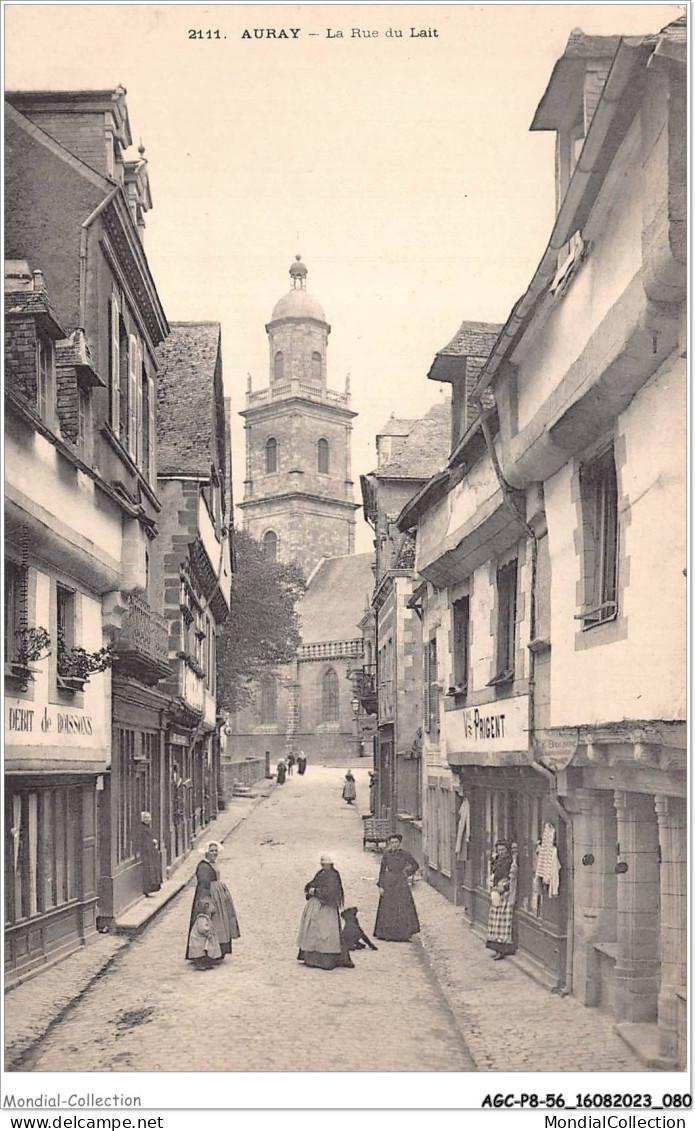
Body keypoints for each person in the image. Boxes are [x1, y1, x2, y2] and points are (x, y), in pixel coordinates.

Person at [186, 842, 240, 968]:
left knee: (219, 924)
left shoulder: (212, 864)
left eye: (216, 851)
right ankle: (203, 956)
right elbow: (203, 886)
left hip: (217, 895)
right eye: (212, 851)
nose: (215, 853)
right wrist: (206, 903)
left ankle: (217, 952)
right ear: (206, 852)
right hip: (209, 897)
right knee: (205, 926)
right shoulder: (203, 867)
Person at [297, 854, 354, 970]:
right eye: (322, 863)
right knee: (313, 931)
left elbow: (332, 892)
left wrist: (316, 891)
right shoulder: (321, 873)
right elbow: (311, 884)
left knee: (326, 933)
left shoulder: (334, 875)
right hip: (316, 906)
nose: (323, 865)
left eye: (325, 864)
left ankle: (326, 960)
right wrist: (310, 889)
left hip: (327, 909)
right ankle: (311, 958)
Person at [374, 834, 420, 942]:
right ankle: (387, 934)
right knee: (388, 907)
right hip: (389, 881)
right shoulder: (386, 854)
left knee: (402, 907)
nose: (394, 845)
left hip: (401, 882)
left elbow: (415, 865)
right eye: (392, 842)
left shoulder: (405, 854)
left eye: (396, 842)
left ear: (400, 843)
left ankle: (403, 934)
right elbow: (382, 871)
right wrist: (381, 886)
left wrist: (406, 873)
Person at [486, 840, 518, 960]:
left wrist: (504, 887)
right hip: (497, 892)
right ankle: (496, 947)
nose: (501, 852)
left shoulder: (511, 862)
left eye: (503, 850)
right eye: (499, 850)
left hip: (506, 894)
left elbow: (513, 879)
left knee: (503, 923)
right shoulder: (497, 861)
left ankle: (503, 950)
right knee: (495, 922)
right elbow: (494, 874)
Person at [137, 811, 162, 897]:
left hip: (150, 851)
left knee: (152, 869)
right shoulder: (142, 828)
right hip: (146, 852)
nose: (147, 819)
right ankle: (147, 888)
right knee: (148, 870)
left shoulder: (148, 827)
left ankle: (151, 887)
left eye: (148, 818)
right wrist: (152, 842)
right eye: (145, 818)